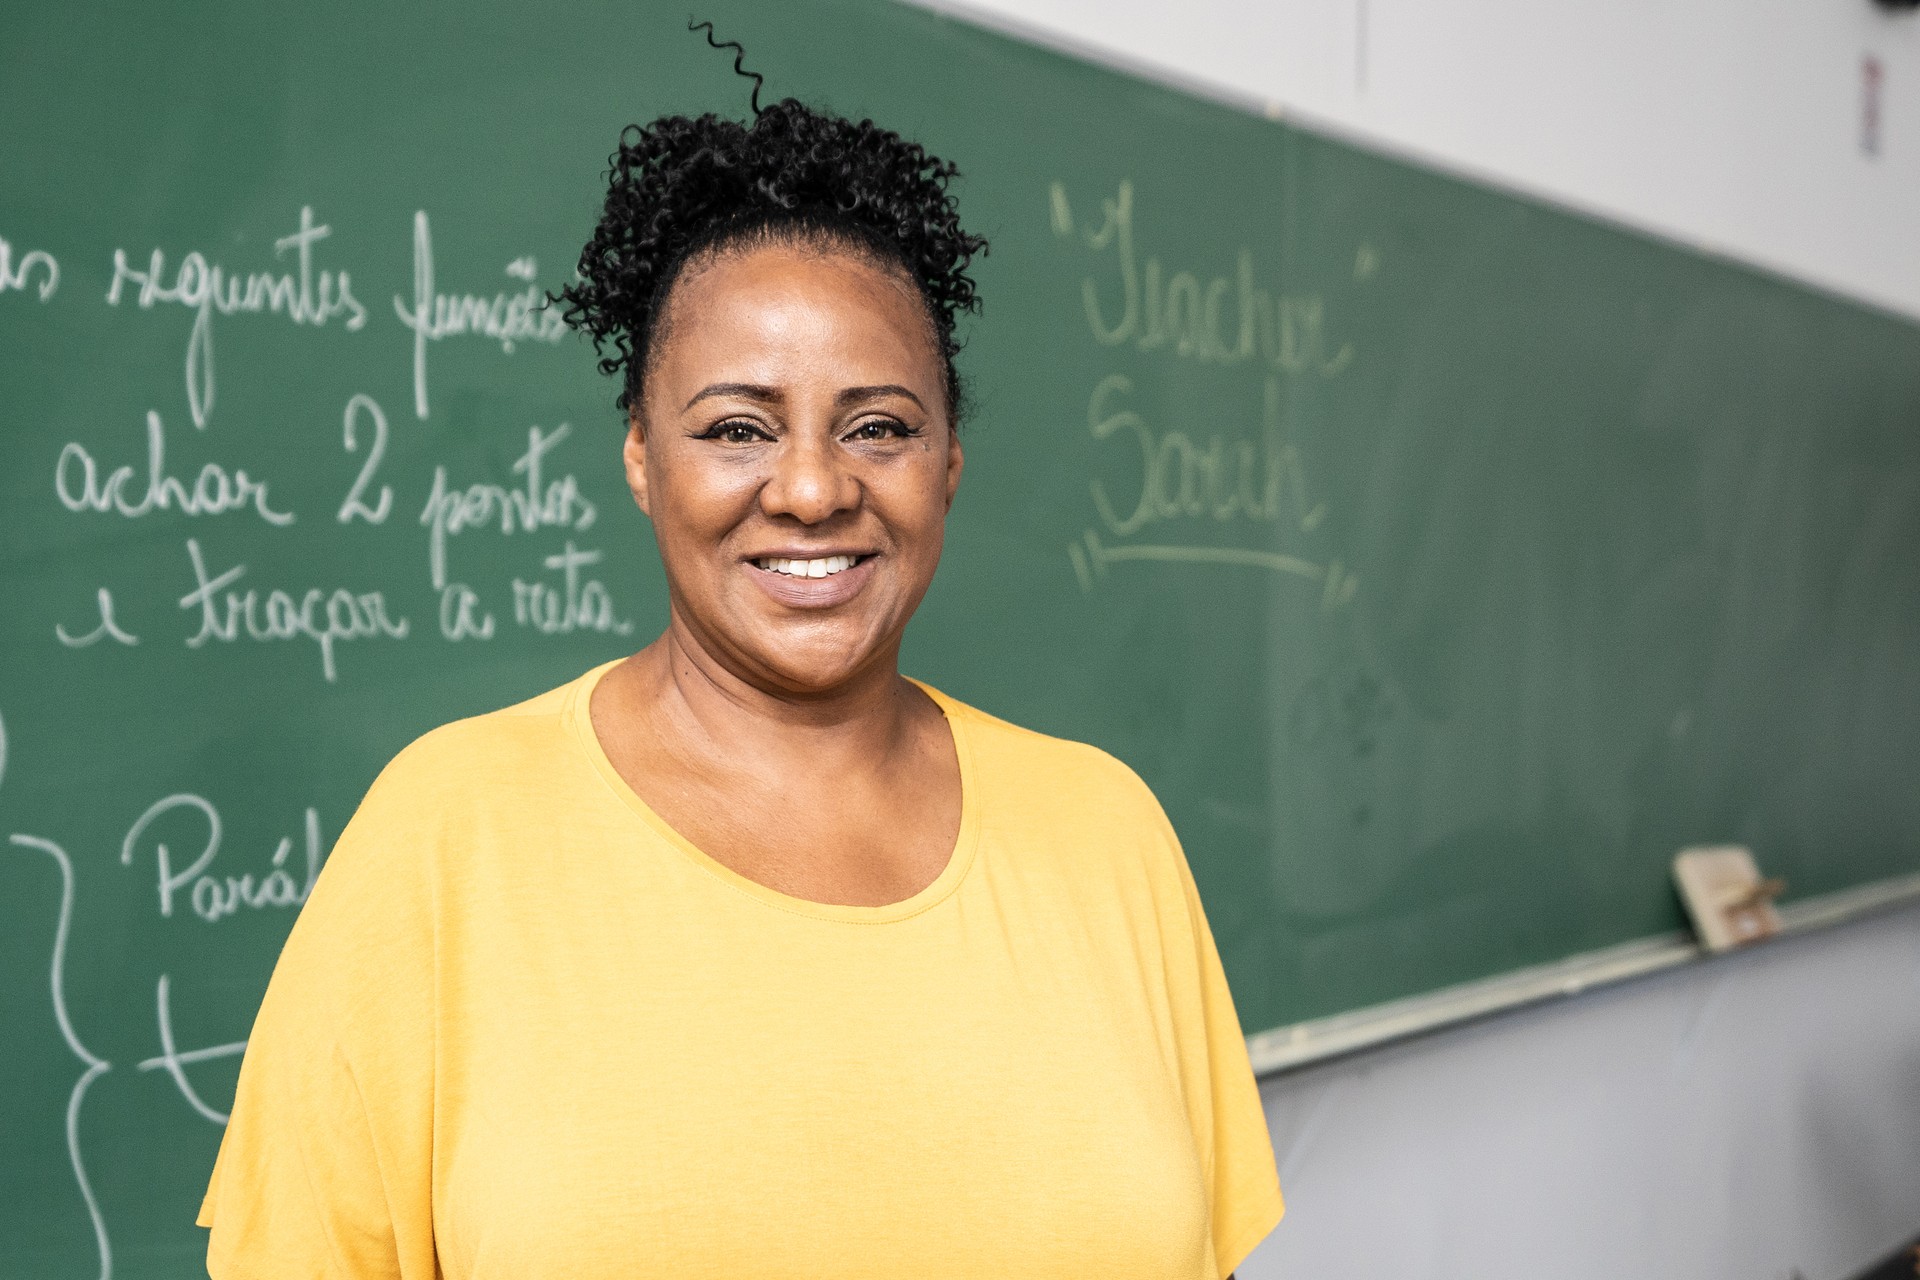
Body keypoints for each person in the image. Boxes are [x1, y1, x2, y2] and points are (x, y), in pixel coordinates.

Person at [199, 97, 1283, 1279]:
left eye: (878, 426)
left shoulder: (1108, 829)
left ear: (951, 461)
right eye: (736, 428)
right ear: (640, 457)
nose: (813, 489)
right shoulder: (443, 838)